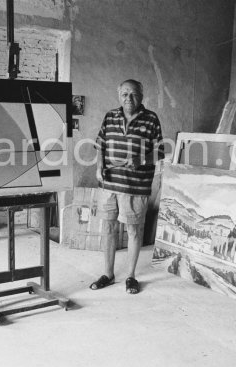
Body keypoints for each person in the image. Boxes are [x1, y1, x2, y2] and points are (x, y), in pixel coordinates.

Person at [91, 79, 164, 294]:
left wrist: (141, 159)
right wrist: (99, 167)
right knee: (109, 228)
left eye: (133, 94)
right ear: (118, 95)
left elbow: (160, 152)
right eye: (124, 94)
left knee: (133, 230)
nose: (128, 99)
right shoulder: (110, 116)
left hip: (135, 187)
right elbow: (100, 146)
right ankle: (108, 273)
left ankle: (131, 276)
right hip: (109, 185)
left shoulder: (151, 119)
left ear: (141, 96)